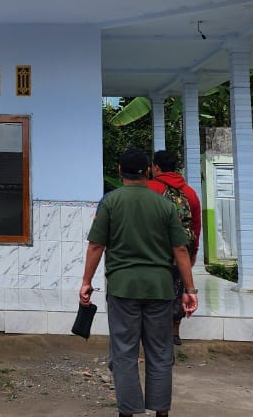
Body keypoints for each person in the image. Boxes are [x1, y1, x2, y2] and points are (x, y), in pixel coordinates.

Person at [82, 148, 197, 417]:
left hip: (123, 289)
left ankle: (128, 412)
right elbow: (180, 250)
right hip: (160, 288)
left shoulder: (110, 202)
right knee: (160, 351)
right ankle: (161, 412)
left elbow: (97, 245)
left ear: (120, 171)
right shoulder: (165, 205)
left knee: (124, 352)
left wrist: (86, 282)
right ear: (147, 171)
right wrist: (189, 290)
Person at [147, 150, 201, 346]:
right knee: (177, 289)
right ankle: (174, 333)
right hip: (181, 251)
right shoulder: (190, 193)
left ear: (156, 167)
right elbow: (196, 226)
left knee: (153, 291)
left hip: (154, 251)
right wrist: (192, 253)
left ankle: (152, 333)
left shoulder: (149, 188)